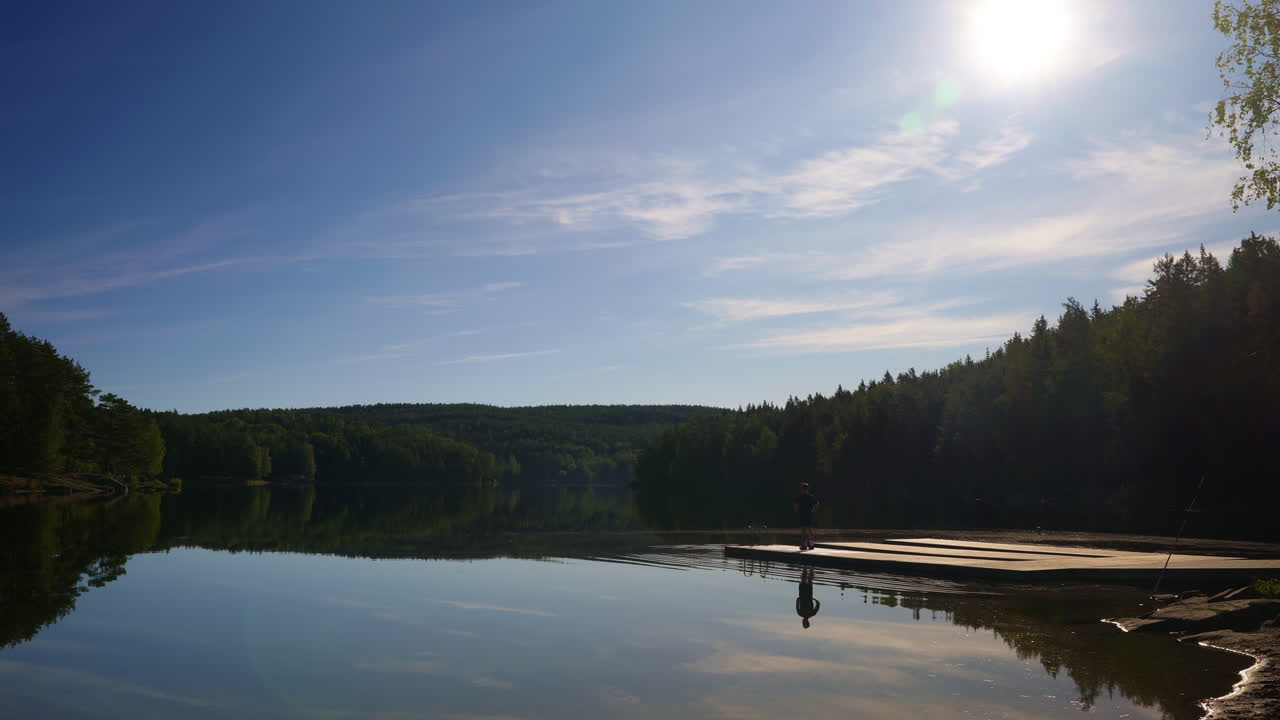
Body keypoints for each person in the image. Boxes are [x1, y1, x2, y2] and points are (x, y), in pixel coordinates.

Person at [794, 482, 818, 550]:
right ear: (807, 489)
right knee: (810, 530)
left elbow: (796, 506)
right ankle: (811, 544)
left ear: (802, 489)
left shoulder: (800, 497)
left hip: (802, 514)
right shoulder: (811, 496)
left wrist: (797, 511)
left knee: (804, 530)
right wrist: (813, 510)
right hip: (809, 514)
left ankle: (804, 545)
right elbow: (817, 503)